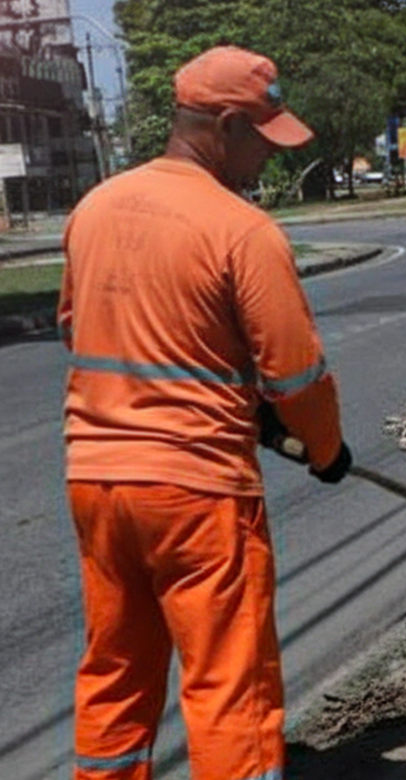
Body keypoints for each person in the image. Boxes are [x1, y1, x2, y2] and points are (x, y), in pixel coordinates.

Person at [59, 45, 352, 779]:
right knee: (230, 683)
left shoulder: (94, 208)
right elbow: (298, 376)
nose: (267, 160)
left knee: (116, 668)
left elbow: (80, 327)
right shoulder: (242, 230)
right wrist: (324, 451)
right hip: (198, 492)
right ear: (223, 125)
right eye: (262, 139)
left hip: (96, 483)